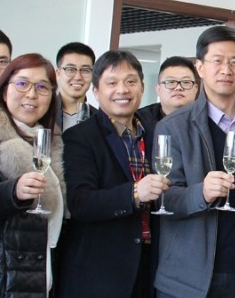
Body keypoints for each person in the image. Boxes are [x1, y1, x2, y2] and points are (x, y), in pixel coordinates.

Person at [154, 26, 235, 298]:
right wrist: (201, 193)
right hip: (188, 278)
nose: (226, 69)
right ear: (200, 67)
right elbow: (164, 199)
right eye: (217, 61)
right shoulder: (173, 126)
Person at [58, 50, 169, 297]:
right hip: (100, 272)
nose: (122, 90)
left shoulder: (156, 134)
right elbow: (80, 202)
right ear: (96, 91)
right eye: (112, 83)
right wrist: (134, 193)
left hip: (148, 266)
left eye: (131, 81)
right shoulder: (80, 137)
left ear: (142, 87)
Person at [0, 53, 65, 297]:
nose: (32, 94)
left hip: (41, 266)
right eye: (22, 83)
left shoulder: (50, 139)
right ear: (4, 90)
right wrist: (14, 191)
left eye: (42, 87)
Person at [136, 56, 199, 138]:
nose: (178, 87)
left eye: (186, 82)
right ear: (158, 89)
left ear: (195, 89)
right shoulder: (139, 121)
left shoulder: (207, 120)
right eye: (171, 82)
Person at [55, 42, 96, 131]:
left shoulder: (101, 120)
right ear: (58, 74)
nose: (78, 77)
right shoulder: (43, 114)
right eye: (70, 69)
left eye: (85, 70)